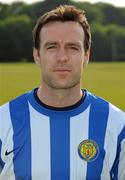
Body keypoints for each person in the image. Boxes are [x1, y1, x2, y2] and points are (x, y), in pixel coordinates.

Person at [0, 4, 125, 180]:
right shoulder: (3, 122)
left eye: (73, 47)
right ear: (37, 55)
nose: (62, 57)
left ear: (86, 56)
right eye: (51, 47)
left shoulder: (118, 126)